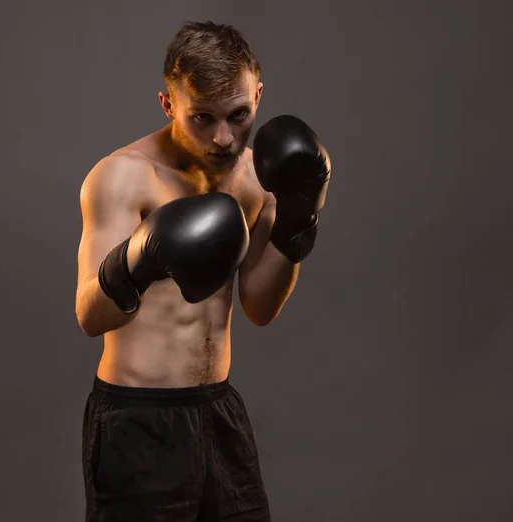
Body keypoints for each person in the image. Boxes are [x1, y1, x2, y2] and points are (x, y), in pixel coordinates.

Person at [75, 20, 331, 522]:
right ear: (169, 105)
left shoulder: (259, 180)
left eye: (239, 115)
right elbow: (89, 315)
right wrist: (140, 258)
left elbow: (259, 305)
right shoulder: (123, 176)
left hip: (219, 412)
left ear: (258, 93)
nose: (223, 137)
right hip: (137, 419)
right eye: (202, 118)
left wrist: (297, 223)